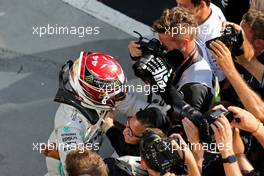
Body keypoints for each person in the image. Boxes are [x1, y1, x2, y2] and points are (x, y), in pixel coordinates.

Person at [44, 51, 127, 176]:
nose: (122, 96)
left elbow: (131, 104)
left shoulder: (101, 97)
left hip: (90, 158)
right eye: (116, 95)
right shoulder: (69, 125)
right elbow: (76, 169)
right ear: (93, 95)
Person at [129, 7, 213, 112]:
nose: (161, 49)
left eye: (165, 46)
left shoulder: (193, 88)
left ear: (184, 43)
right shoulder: (191, 43)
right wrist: (137, 56)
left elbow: (177, 125)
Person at [209, 9, 264, 121]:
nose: (236, 40)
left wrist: (230, 70)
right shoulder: (240, 54)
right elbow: (225, 97)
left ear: (259, 43)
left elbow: (261, 113)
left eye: (241, 37)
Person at [175, 0, 226, 81]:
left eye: (182, 5)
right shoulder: (210, 8)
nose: (177, 9)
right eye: (177, 3)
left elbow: (218, 78)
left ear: (201, 5)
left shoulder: (214, 40)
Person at [101, 107, 167, 157]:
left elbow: (124, 150)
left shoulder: (146, 155)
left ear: (147, 140)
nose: (124, 131)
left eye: (130, 133)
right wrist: (112, 122)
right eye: (127, 124)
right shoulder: (136, 134)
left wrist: (109, 129)